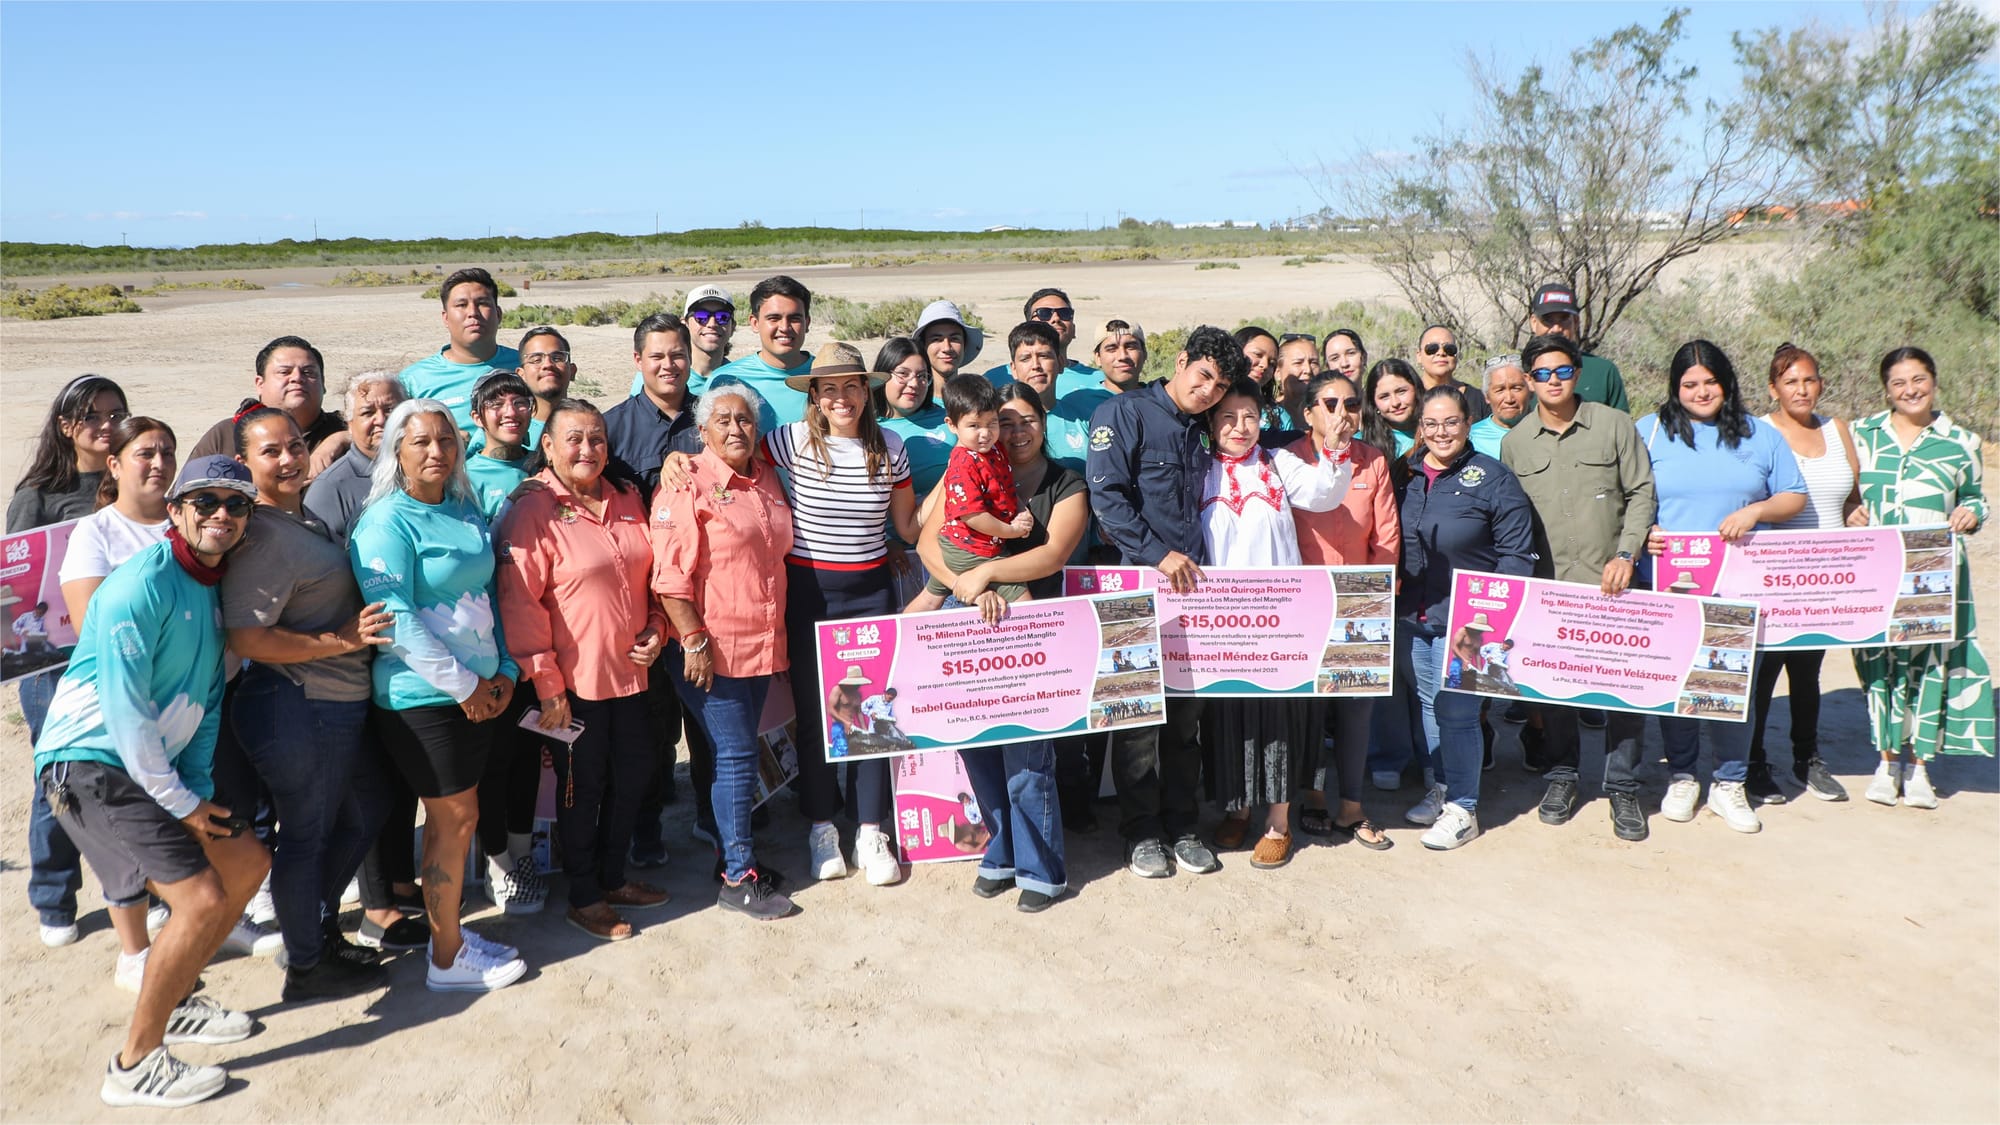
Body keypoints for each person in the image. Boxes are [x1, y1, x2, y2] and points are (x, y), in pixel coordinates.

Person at [34, 455, 268, 1109]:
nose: (222, 513)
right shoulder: (142, 584)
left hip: (150, 767)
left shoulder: (213, 588)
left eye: (236, 504)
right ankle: (134, 1064)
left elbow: (206, 699)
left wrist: (194, 791)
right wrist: (181, 802)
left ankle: (181, 996)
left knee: (246, 862)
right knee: (196, 900)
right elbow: (126, 710)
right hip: (89, 760)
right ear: (176, 510)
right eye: (206, 501)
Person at [666, 342, 920, 885]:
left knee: (869, 714)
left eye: (852, 385)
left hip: (871, 590)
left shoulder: (892, 446)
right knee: (817, 714)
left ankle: (871, 831)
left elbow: (909, 527)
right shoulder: (787, 440)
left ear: (867, 391)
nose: (841, 397)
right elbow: (725, 453)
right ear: (815, 397)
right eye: (829, 388)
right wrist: (678, 459)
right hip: (807, 593)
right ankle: (821, 827)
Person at [348, 398, 526, 991]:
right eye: (420, 441)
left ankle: (449, 934)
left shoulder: (463, 508)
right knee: (454, 819)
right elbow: (393, 617)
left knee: (460, 819)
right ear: (395, 450)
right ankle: (447, 957)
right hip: (421, 699)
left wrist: (502, 669)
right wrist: (466, 685)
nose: (436, 452)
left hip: (481, 691)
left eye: (446, 440)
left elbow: (488, 596)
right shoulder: (384, 523)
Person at [221, 408, 395, 1000]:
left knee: (364, 809)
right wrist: (340, 641)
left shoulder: (302, 519)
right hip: (297, 703)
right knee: (307, 834)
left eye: (295, 445)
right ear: (246, 463)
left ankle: (314, 932)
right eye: (272, 452)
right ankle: (306, 963)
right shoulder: (263, 535)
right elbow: (248, 636)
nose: (290, 458)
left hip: (334, 701)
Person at [498, 399, 669, 941]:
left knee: (635, 776)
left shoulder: (626, 497)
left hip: (635, 676)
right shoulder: (533, 509)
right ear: (546, 445)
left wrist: (659, 629)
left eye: (596, 438)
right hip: (574, 685)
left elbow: (653, 578)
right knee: (582, 788)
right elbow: (521, 605)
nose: (587, 449)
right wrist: (549, 688)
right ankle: (584, 895)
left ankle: (614, 877)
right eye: (573, 439)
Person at [916, 382, 1090, 911]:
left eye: (1022, 421)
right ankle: (1001, 852)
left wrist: (988, 573)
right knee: (974, 743)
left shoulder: (1066, 482)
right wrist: (968, 585)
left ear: (1043, 421)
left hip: (1029, 622)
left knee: (1026, 750)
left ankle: (1042, 870)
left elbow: (1053, 555)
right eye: (1002, 421)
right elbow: (928, 538)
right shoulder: (967, 464)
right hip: (966, 611)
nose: (1011, 431)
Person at [1085, 326, 1241, 879]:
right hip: (1135, 585)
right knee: (1135, 720)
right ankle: (1141, 833)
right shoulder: (1123, 413)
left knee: (1184, 720)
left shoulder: (1203, 426)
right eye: (1203, 377)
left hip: (1192, 594)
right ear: (1180, 362)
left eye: (1220, 386)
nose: (1209, 392)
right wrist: (1158, 555)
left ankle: (1183, 825)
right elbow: (1106, 497)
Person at [1638, 340, 1807, 834]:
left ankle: (1730, 781)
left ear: (1727, 382)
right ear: (1674, 388)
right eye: (1689, 384)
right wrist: (1642, 531)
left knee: (1732, 679)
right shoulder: (1648, 432)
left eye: (1710, 381)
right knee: (1679, 679)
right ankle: (1684, 774)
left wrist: (1756, 511)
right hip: (1671, 582)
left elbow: (1794, 495)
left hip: (1740, 582)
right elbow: (1630, 497)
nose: (1701, 391)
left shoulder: (1761, 435)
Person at [1500, 334, 1658, 841]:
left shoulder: (1613, 425)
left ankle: (1623, 787)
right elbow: (1510, 518)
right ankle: (1563, 776)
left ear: (1576, 374)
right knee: (1556, 692)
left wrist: (1627, 553)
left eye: (1562, 371)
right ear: (1528, 381)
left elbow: (1641, 492)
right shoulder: (1515, 443)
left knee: (1622, 694)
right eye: (1542, 374)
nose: (1553, 381)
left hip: (1613, 584)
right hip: (1550, 590)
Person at [650, 383, 798, 920]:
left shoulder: (766, 477)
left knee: (731, 754)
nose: (736, 429)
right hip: (711, 649)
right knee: (736, 758)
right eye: (725, 421)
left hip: (761, 644)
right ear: (703, 429)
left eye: (745, 421)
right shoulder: (687, 482)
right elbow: (669, 579)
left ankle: (729, 856)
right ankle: (738, 876)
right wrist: (692, 640)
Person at [1200, 378, 1353, 869]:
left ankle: (1278, 822)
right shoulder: (1198, 472)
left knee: (1279, 719)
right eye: (1227, 417)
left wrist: (1335, 448)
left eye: (1249, 416)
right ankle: (1237, 807)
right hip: (1220, 625)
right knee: (1230, 715)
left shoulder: (1279, 463)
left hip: (1280, 622)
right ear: (1210, 422)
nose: (1240, 427)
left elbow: (1324, 493)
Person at [12, 374, 127, 948]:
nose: (106, 427)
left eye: (115, 414)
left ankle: (135, 888)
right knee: (56, 777)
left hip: (127, 653)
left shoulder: (131, 479)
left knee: (129, 769)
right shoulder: (38, 494)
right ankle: (54, 897)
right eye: (93, 416)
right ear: (66, 426)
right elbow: (14, 588)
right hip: (55, 664)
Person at [1847, 346, 1991, 805]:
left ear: (1934, 381)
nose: (1910, 390)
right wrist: (1850, 510)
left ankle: (1921, 767)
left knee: (1930, 663)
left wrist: (1971, 511)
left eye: (1918, 380)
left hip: (1936, 574)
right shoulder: (1861, 436)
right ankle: (1887, 761)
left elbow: (1975, 496)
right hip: (1877, 570)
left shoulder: (1961, 442)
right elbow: (1845, 493)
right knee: (1878, 662)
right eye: (1898, 383)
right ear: (1886, 389)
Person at [1397, 386, 1536, 849]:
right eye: (1431, 424)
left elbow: (1517, 556)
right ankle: (1442, 788)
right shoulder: (1408, 474)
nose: (1441, 432)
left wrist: (1488, 622)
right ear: (1420, 427)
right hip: (1415, 614)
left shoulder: (1494, 478)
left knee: (1458, 711)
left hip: (1470, 622)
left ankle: (1465, 808)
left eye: (1451, 422)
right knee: (1430, 705)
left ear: (1467, 424)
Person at [603, 311, 709, 870]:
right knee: (648, 726)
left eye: (678, 353)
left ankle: (713, 819)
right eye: (658, 355)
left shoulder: (712, 417)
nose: (669, 364)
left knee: (709, 717)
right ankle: (646, 831)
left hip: (704, 599)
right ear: (638, 361)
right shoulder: (613, 427)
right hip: (638, 600)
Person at [1287, 371, 1401, 850]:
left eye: (1350, 404)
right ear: (1308, 411)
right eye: (1329, 404)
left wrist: (1374, 597)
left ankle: (1351, 806)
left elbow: (1387, 537)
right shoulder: (1287, 461)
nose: (1341, 414)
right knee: (1310, 706)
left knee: (1357, 706)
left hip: (1360, 599)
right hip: (1305, 602)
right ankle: (1313, 796)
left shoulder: (1372, 461)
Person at [1747, 343, 1859, 804]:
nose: (1801, 389)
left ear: (1821, 384)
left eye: (1809, 379)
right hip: (1772, 575)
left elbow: (1850, 496)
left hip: (1825, 580)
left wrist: (1855, 513)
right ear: (1774, 388)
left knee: (1809, 671)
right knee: (1763, 672)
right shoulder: (1758, 431)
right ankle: (1752, 761)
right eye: (1790, 381)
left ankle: (1806, 757)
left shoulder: (1837, 430)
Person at [925, 375, 1034, 601]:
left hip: (978, 543)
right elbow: (973, 516)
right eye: (974, 426)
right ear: (952, 425)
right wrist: (1012, 531)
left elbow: (1006, 488)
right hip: (970, 550)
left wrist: (1021, 510)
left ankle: (900, 633)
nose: (985, 433)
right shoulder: (962, 464)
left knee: (929, 599)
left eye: (991, 423)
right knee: (1024, 602)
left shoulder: (994, 450)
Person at [185, 336, 347, 472]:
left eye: (308, 372)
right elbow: (182, 500)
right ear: (260, 384)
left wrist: (340, 439)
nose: (297, 378)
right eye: (284, 372)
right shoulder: (226, 435)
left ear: (323, 384)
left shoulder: (346, 426)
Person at [397, 267, 522, 436]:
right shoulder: (413, 380)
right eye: (461, 305)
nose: (472, 313)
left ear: (498, 314)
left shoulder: (526, 367)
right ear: (446, 317)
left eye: (482, 303)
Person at [303, 371, 406, 543]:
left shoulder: (428, 468)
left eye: (390, 410)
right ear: (350, 424)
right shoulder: (331, 488)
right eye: (368, 412)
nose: (380, 420)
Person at [705, 274, 814, 431]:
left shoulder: (825, 377)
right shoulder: (725, 380)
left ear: (807, 323)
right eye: (774, 318)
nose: (784, 327)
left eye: (794, 318)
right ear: (754, 323)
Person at [1006, 319, 1110, 474]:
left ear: (1060, 363)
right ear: (1013, 369)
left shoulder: (1082, 420)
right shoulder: (999, 425)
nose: (1035, 365)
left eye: (1044, 356)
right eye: (1025, 358)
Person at [1526, 283, 1630, 411]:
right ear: (1533, 322)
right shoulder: (1517, 372)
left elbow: (1622, 426)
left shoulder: (1603, 372)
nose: (1556, 328)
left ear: (1575, 322)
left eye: (1564, 319)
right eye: (1548, 320)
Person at [873, 336, 955, 498]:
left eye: (922, 376)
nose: (914, 384)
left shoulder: (950, 417)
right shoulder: (866, 426)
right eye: (903, 374)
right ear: (882, 375)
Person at [981, 287, 1099, 397]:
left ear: (1073, 328)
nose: (1056, 319)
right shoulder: (994, 379)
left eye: (1064, 313)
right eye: (1044, 313)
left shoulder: (1098, 381)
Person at [626, 285, 737, 397]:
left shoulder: (739, 379)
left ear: (732, 327)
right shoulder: (657, 376)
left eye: (723, 317)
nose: (712, 324)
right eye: (702, 316)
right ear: (685, 324)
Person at [462, 371, 535, 522]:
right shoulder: (466, 478)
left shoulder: (544, 464)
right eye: (497, 404)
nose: (511, 412)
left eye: (520, 403)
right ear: (477, 418)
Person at [514, 326, 578, 441]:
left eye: (557, 358)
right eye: (536, 360)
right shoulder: (510, 430)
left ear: (572, 371)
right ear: (521, 375)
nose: (547, 365)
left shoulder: (589, 426)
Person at [1415, 325, 1490, 422]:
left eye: (1449, 349)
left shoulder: (1479, 399)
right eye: (1432, 348)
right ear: (1419, 356)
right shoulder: (1408, 398)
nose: (1441, 353)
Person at [914, 299, 984, 404]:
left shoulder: (979, 401)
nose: (947, 348)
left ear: (965, 345)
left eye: (954, 339)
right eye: (936, 339)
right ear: (923, 347)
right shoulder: (912, 403)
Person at [1468, 355, 1530, 458]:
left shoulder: (1547, 434)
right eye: (1500, 390)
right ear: (1487, 396)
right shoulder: (1470, 439)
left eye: (1516, 388)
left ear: (1530, 391)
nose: (1509, 399)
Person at [1361, 359, 1421, 457]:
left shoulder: (1438, 435)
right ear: (1373, 403)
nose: (1395, 403)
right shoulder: (1361, 445)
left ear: (1416, 389)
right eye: (1384, 397)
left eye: (1401, 391)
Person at [1270, 332, 1320, 429]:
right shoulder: (1267, 416)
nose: (1308, 370)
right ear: (1277, 372)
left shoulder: (1329, 413)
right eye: (1298, 363)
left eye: (1313, 362)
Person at [1095, 319, 1148, 395]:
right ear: (1098, 358)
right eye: (1112, 349)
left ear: (1145, 353)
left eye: (1131, 347)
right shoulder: (1081, 402)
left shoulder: (1161, 400)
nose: (1122, 356)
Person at [1233, 326, 1280, 398]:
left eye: (1272, 363)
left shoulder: (1273, 409)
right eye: (1257, 354)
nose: (1265, 365)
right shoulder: (1211, 401)